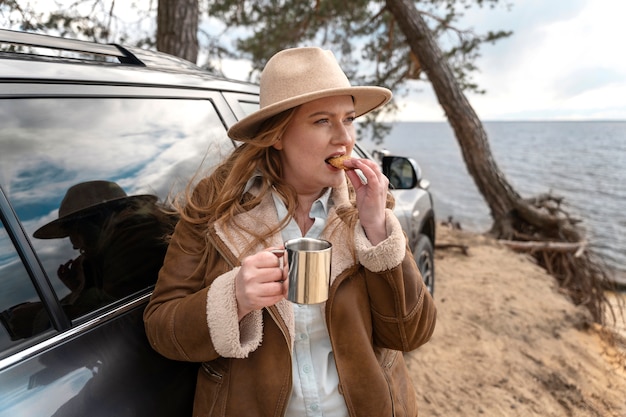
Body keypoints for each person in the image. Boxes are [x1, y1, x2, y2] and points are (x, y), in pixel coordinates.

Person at [144, 47, 437, 416]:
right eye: (322, 121)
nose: (344, 138)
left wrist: (377, 230)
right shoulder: (215, 208)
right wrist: (233, 298)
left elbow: (412, 334)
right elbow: (161, 329)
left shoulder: (369, 211)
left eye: (348, 119)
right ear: (278, 135)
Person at [1, 180, 176, 339]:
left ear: (92, 224)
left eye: (73, 233)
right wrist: (80, 287)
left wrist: (39, 317)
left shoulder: (138, 237)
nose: (75, 246)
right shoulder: (123, 241)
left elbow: (120, 321)